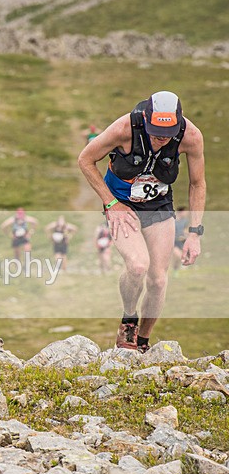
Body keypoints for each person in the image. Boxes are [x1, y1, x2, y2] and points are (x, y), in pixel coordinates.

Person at [78, 91, 205, 352]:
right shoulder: (124, 128)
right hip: (121, 205)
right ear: (146, 120)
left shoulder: (191, 136)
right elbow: (85, 160)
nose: (161, 139)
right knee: (137, 266)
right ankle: (128, 321)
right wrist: (111, 204)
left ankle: (143, 341)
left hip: (158, 205)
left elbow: (197, 183)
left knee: (158, 280)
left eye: (166, 134)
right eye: (155, 132)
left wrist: (194, 233)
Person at [172, 206, 189, 274]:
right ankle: (184, 264)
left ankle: (175, 270)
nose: (186, 213)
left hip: (181, 242)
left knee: (177, 260)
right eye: (185, 212)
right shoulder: (172, 220)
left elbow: (186, 231)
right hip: (173, 242)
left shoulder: (185, 221)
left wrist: (185, 237)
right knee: (179, 255)